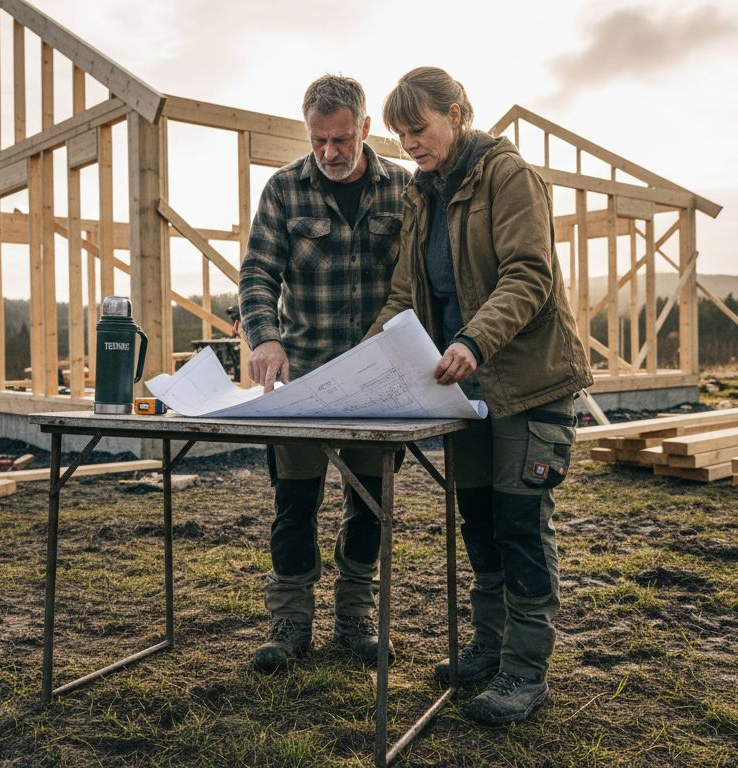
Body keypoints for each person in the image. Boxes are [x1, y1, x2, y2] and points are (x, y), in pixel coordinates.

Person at [367, 67, 593, 724]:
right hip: (463, 393)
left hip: (527, 383)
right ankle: (489, 649)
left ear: (458, 114)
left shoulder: (508, 176)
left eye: (419, 128)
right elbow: (406, 296)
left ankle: (526, 671)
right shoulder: (422, 197)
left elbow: (529, 275)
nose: (409, 143)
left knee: (520, 525)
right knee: (478, 521)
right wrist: (365, 361)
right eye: (401, 134)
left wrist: (473, 339)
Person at [237, 74, 412, 672]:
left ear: (365, 128)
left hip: (379, 381)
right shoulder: (284, 190)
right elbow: (257, 273)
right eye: (319, 141)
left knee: (370, 506)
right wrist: (265, 337)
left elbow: (420, 279)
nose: (330, 153)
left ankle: (355, 616)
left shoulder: (404, 190)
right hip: (303, 382)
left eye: (341, 139)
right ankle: (290, 621)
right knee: (294, 503)